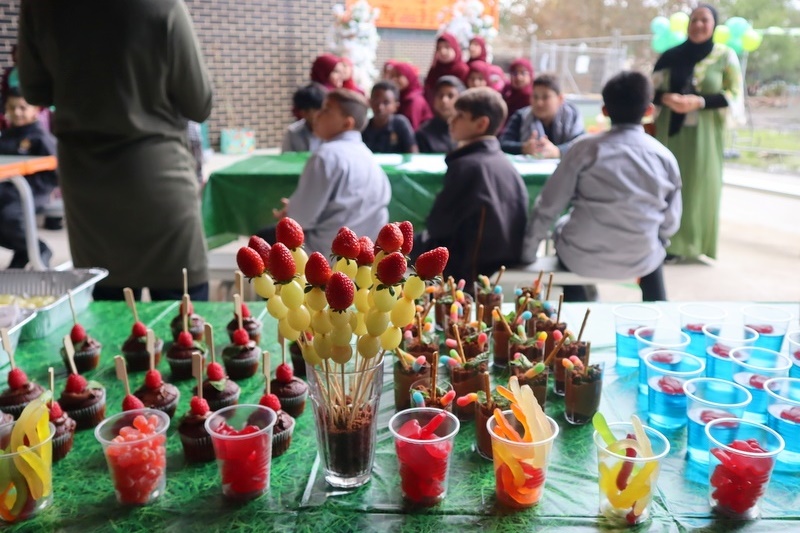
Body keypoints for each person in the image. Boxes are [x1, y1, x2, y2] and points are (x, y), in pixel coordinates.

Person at [18, 0, 213, 301]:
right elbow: (198, 103)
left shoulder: (40, 7)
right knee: (184, 325)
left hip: (88, 184)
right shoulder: (164, 6)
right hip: (157, 177)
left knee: (107, 325)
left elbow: (35, 91)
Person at [522, 71, 682, 302]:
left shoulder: (583, 149)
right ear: (649, 111)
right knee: (652, 247)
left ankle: (577, 311)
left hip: (580, 257)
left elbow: (548, 206)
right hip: (641, 257)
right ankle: (656, 319)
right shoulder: (664, 157)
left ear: (604, 111)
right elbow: (670, 222)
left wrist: (527, 254)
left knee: (563, 228)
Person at [652, 4, 743, 262]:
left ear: (714, 25)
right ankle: (667, 244)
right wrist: (668, 98)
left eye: (705, 20)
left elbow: (734, 95)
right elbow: (650, 91)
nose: (699, 25)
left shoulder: (725, 56)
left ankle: (695, 244)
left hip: (706, 133)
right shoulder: (670, 56)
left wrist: (698, 102)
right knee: (668, 184)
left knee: (702, 185)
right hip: (671, 132)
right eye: (694, 20)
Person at [412, 87, 528, 285]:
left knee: (400, 248)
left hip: (471, 268)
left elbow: (438, 225)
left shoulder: (467, 166)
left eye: (460, 115)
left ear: (481, 123)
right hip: (501, 257)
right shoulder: (504, 162)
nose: (451, 120)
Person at [259, 89, 391, 254]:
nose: (317, 115)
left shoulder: (326, 156)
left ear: (347, 123)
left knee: (260, 241)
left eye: (326, 110)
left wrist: (291, 211)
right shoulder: (368, 156)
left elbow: (300, 220)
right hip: (364, 253)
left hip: (325, 252)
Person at [0, 88, 57, 268]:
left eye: (22, 108)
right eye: (12, 108)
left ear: (35, 110)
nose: (17, 112)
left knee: (10, 216)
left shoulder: (40, 137)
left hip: (33, 191)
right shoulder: (6, 136)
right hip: (7, 190)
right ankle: (24, 251)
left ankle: (39, 249)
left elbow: (54, 170)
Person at [500, 73, 584, 158]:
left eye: (545, 97)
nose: (539, 103)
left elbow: (582, 144)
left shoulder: (572, 116)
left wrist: (558, 151)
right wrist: (523, 148)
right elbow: (503, 143)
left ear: (560, 99)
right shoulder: (521, 116)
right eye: (535, 97)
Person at [362, 81, 418, 154]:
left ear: (396, 106)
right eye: (376, 101)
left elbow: (413, 152)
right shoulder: (363, 126)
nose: (380, 107)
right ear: (369, 102)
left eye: (386, 103)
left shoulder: (400, 124)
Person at [415, 75, 464, 154]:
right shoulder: (424, 133)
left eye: (450, 96)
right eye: (440, 96)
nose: (444, 100)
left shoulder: (468, 130)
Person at [423, 33, 469, 105]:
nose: (443, 52)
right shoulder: (435, 69)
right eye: (439, 48)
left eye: (447, 47)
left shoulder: (463, 70)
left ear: (455, 48)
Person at [386, 61, 433, 131]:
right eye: (392, 76)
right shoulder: (400, 97)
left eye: (398, 75)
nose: (394, 79)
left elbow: (411, 130)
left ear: (409, 76)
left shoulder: (414, 100)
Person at [281, 83, 326, 153]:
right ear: (304, 112)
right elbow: (286, 159)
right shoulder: (293, 132)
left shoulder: (333, 132)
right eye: (317, 110)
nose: (322, 114)